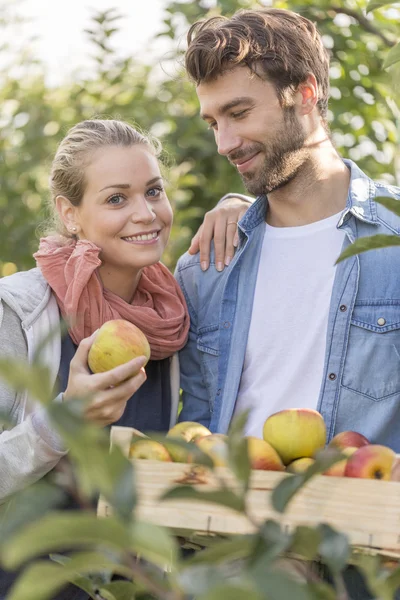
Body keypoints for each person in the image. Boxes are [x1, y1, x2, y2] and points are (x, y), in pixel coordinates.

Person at [0, 118, 246, 598]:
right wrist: (61, 421)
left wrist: (241, 205)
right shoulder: (17, 312)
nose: (146, 213)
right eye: (117, 198)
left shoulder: (174, 314)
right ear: (69, 214)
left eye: (153, 191)